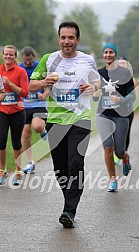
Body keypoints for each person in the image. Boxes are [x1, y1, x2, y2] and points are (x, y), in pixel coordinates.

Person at [29, 21, 101, 228]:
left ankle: (69, 210)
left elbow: (97, 84)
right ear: (59, 39)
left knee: (76, 163)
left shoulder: (87, 60)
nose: (66, 41)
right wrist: (45, 82)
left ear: (78, 40)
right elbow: (31, 84)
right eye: (63, 37)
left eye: (71, 37)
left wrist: (91, 87)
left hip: (80, 119)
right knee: (60, 169)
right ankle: (68, 201)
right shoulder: (48, 59)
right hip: (55, 120)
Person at [93, 43, 135, 192]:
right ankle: (112, 179)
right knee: (108, 148)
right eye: (106, 52)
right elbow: (94, 94)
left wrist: (121, 100)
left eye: (111, 52)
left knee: (118, 151)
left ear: (115, 54)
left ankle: (125, 157)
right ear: (103, 54)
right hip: (103, 114)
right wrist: (94, 94)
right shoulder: (99, 73)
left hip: (121, 116)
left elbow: (133, 95)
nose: (108, 55)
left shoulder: (125, 73)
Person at [0, 45, 29, 186]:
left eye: (11, 54)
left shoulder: (20, 71)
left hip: (17, 112)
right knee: (1, 142)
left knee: (16, 143)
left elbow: (25, 93)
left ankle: (18, 171)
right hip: (2, 111)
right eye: (6, 54)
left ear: (15, 56)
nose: (8, 57)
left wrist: (10, 84)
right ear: (2, 55)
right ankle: (2, 170)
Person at [19, 47, 49, 174]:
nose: (27, 63)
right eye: (25, 60)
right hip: (24, 105)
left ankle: (43, 130)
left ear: (34, 57)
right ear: (22, 58)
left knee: (37, 126)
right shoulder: (20, 68)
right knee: (25, 133)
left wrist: (45, 95)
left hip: (39, 104)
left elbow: (49, 86)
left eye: (30, 60)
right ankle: (30, 162)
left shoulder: (39, 67)